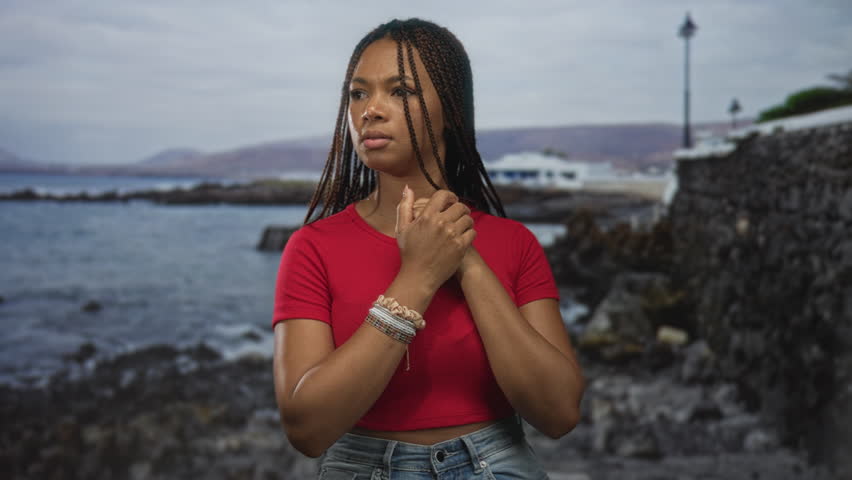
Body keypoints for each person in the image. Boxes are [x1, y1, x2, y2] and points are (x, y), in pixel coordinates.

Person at [272, 18, 585, 479]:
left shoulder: (514, 243)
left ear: (451, 107)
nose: (370, 110)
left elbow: (559, 413)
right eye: (358, 93)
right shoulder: (312, 248)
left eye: (400, 90)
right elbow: (306, 428)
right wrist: (417, 277)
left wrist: (467, 262)